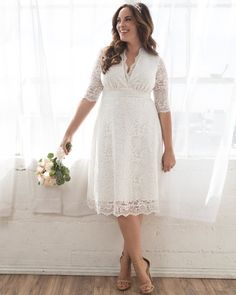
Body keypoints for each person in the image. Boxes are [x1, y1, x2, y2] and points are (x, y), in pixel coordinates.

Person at [60, 2, 176, 294]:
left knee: (133, 199)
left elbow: (163, 107)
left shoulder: (155, 61)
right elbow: (89, 96)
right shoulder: (107, 56)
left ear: (141, 23)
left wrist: (169, 148)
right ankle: (139, 263)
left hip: (143, 136)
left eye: (127, 19)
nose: (121, 24)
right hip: (111, 134)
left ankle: (126, 260)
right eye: (118, 20)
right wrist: (69, 132)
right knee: (122, 200)